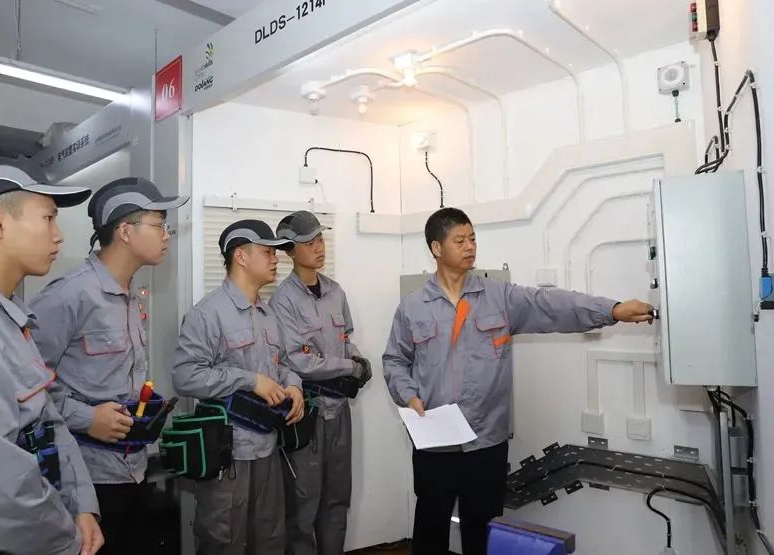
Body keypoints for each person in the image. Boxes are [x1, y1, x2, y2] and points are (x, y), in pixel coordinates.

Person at [382, 207, 655, 555]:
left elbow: (551, 305)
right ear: (436, 248)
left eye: (473, 238)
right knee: (430, 533)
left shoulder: (500, 297)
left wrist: (611, 310)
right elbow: (394, 360)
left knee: (483, 535)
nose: (470, 246)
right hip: (436, 444)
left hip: (486, 443)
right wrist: (409, 396)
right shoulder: (413, 307)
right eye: (460, 240)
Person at [0, 154, 104, 555]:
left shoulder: (8, 316)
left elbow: (48, 423)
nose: (58, 235)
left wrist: (82, 505)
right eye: (48, 218)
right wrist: (66, 541)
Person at [29, 177, 189, 555]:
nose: (166, 235)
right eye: (158, 224)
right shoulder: (69, 296)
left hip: (133, 470)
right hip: (85, 480)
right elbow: (23, 389)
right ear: (125, 231)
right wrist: (86, 418)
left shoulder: (129, 296)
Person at [173, 219, 305, 555]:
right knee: (224, 543)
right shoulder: (208, 314)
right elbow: (185, 376)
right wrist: (249, 380)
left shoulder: (267, 314)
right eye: (267, 252)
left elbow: (283, 365)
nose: (276, 259)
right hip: (228, 456)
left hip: (268, 449)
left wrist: (294, 387)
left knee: (270, 540)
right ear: (241, 257)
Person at [269, 211, 372, 555]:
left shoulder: (335, 292)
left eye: (320, 239)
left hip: (339, 411)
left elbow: (345, 340)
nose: (319, 247)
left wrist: (357, 359)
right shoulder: (283, 301)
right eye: (309, 242)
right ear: (289, 249)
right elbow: (297, 360)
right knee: (303, 506)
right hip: (308, 415)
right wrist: (348, 366)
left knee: (337, 499)